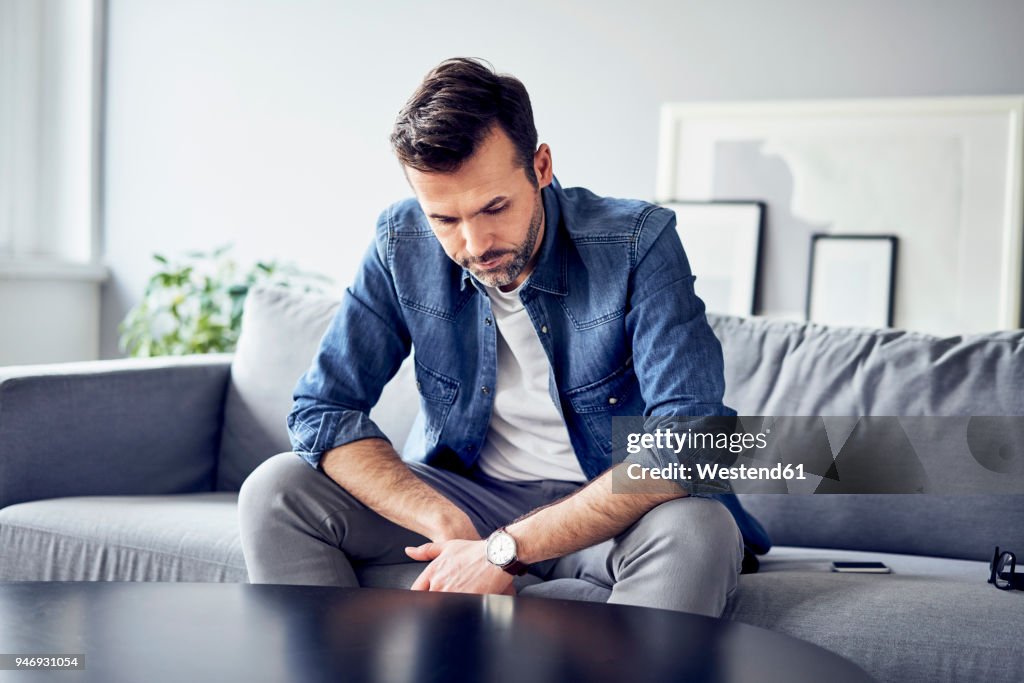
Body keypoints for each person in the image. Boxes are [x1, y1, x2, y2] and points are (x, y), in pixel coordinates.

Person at [238, 57, 769, 617]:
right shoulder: (400, 242)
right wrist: (446, 523)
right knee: (277, 489)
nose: (474, 242)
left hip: (611, 509)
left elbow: (692, 440)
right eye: (445, 218)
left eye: (495, 206)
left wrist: (504, 551)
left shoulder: (636, 241)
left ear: (540, 167)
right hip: (468, 496)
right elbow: (322, 408)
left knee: (698, 527)